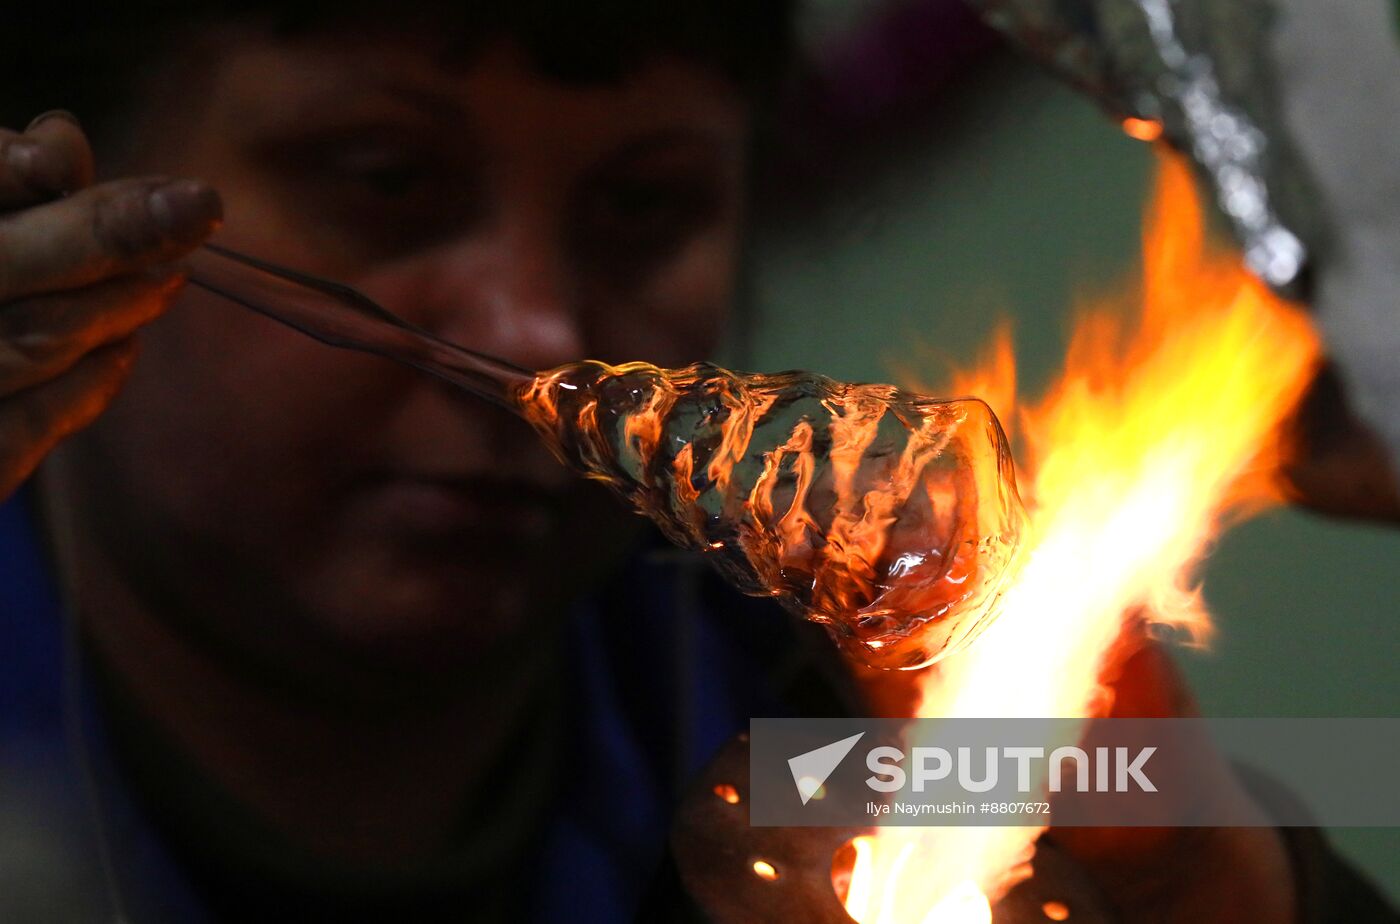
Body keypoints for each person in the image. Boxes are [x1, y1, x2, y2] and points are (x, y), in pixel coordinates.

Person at [0, 2, 1391, 922]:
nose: (536, 325)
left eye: (647, 204)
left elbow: (1190, 805)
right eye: (384, 178)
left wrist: (1202, 877)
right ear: (76, 182)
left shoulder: (791, 719)